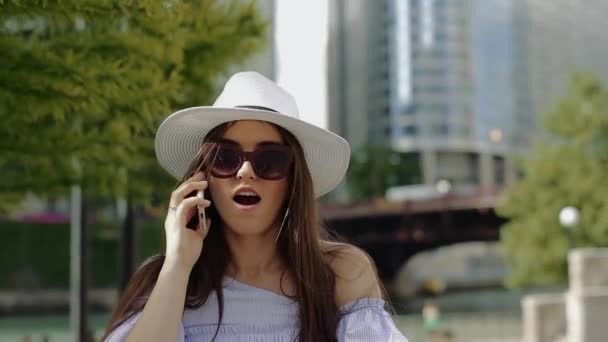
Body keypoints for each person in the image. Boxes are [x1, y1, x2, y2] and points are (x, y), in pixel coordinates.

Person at [102, 71, 409, 341]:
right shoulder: (167, 280)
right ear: (203, 177)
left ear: (292, 181)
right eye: (225, 158)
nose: (245, 172)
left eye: (270, 160)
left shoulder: (339, 273)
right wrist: (179, 264)